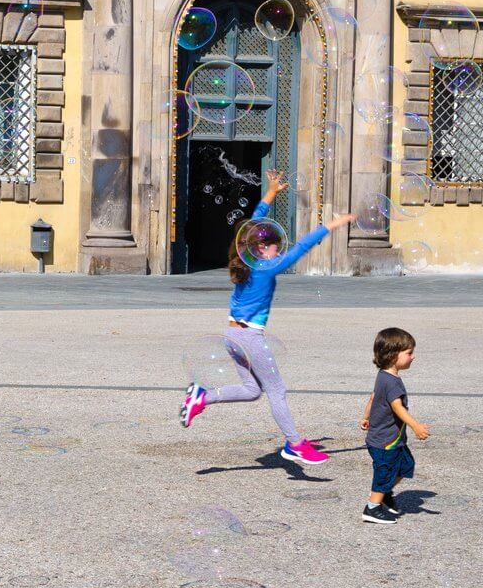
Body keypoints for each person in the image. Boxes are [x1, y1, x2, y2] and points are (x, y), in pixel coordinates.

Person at [179, 170, 356, 466]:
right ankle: (295, 444)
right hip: (249, 337)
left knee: (252, 391)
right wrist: (332, 224)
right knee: (277, 390)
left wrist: (271, 192)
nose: (279, 252)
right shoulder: (266, 268)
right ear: (262, 248)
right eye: (275, 247)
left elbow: (252, 225)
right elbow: (301, 248)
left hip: (232, 336)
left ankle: (202, 397)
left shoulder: (247, 262)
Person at [358, 327, 428, 524]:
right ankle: (372, 508)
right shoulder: (392, 383)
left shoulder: (384, 375)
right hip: (385, 442)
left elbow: (373, 396)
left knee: (406, 466)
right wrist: (416, 426)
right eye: (409, 353)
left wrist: (366, 416)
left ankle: (385, 494)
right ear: (393, 355)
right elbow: (397, 408)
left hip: (392, 439)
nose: (413, 357)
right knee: (384, 473)